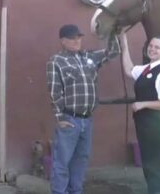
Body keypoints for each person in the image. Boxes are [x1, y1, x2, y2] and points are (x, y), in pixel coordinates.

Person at [46, 24, 120, 194]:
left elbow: (113, 52)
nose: (77, 40)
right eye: (73, 38)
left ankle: (76, 191)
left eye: (79, 37)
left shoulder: (89, 57)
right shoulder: (56, 61)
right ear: (63, 41)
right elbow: (54, 91)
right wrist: (60, 117)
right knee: (62, 162)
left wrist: (114, 32)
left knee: (81, 160)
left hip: (87, 120)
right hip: (69, 120)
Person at [119, 31, 160, 194]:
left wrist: (143, 104)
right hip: (146, 126)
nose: (152, 49)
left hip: (158, 127)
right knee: (150, 167)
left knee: (156, 168)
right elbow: (129, 70)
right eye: (150, 46)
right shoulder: (147, 69)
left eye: (157, 47)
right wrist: (124, 44)